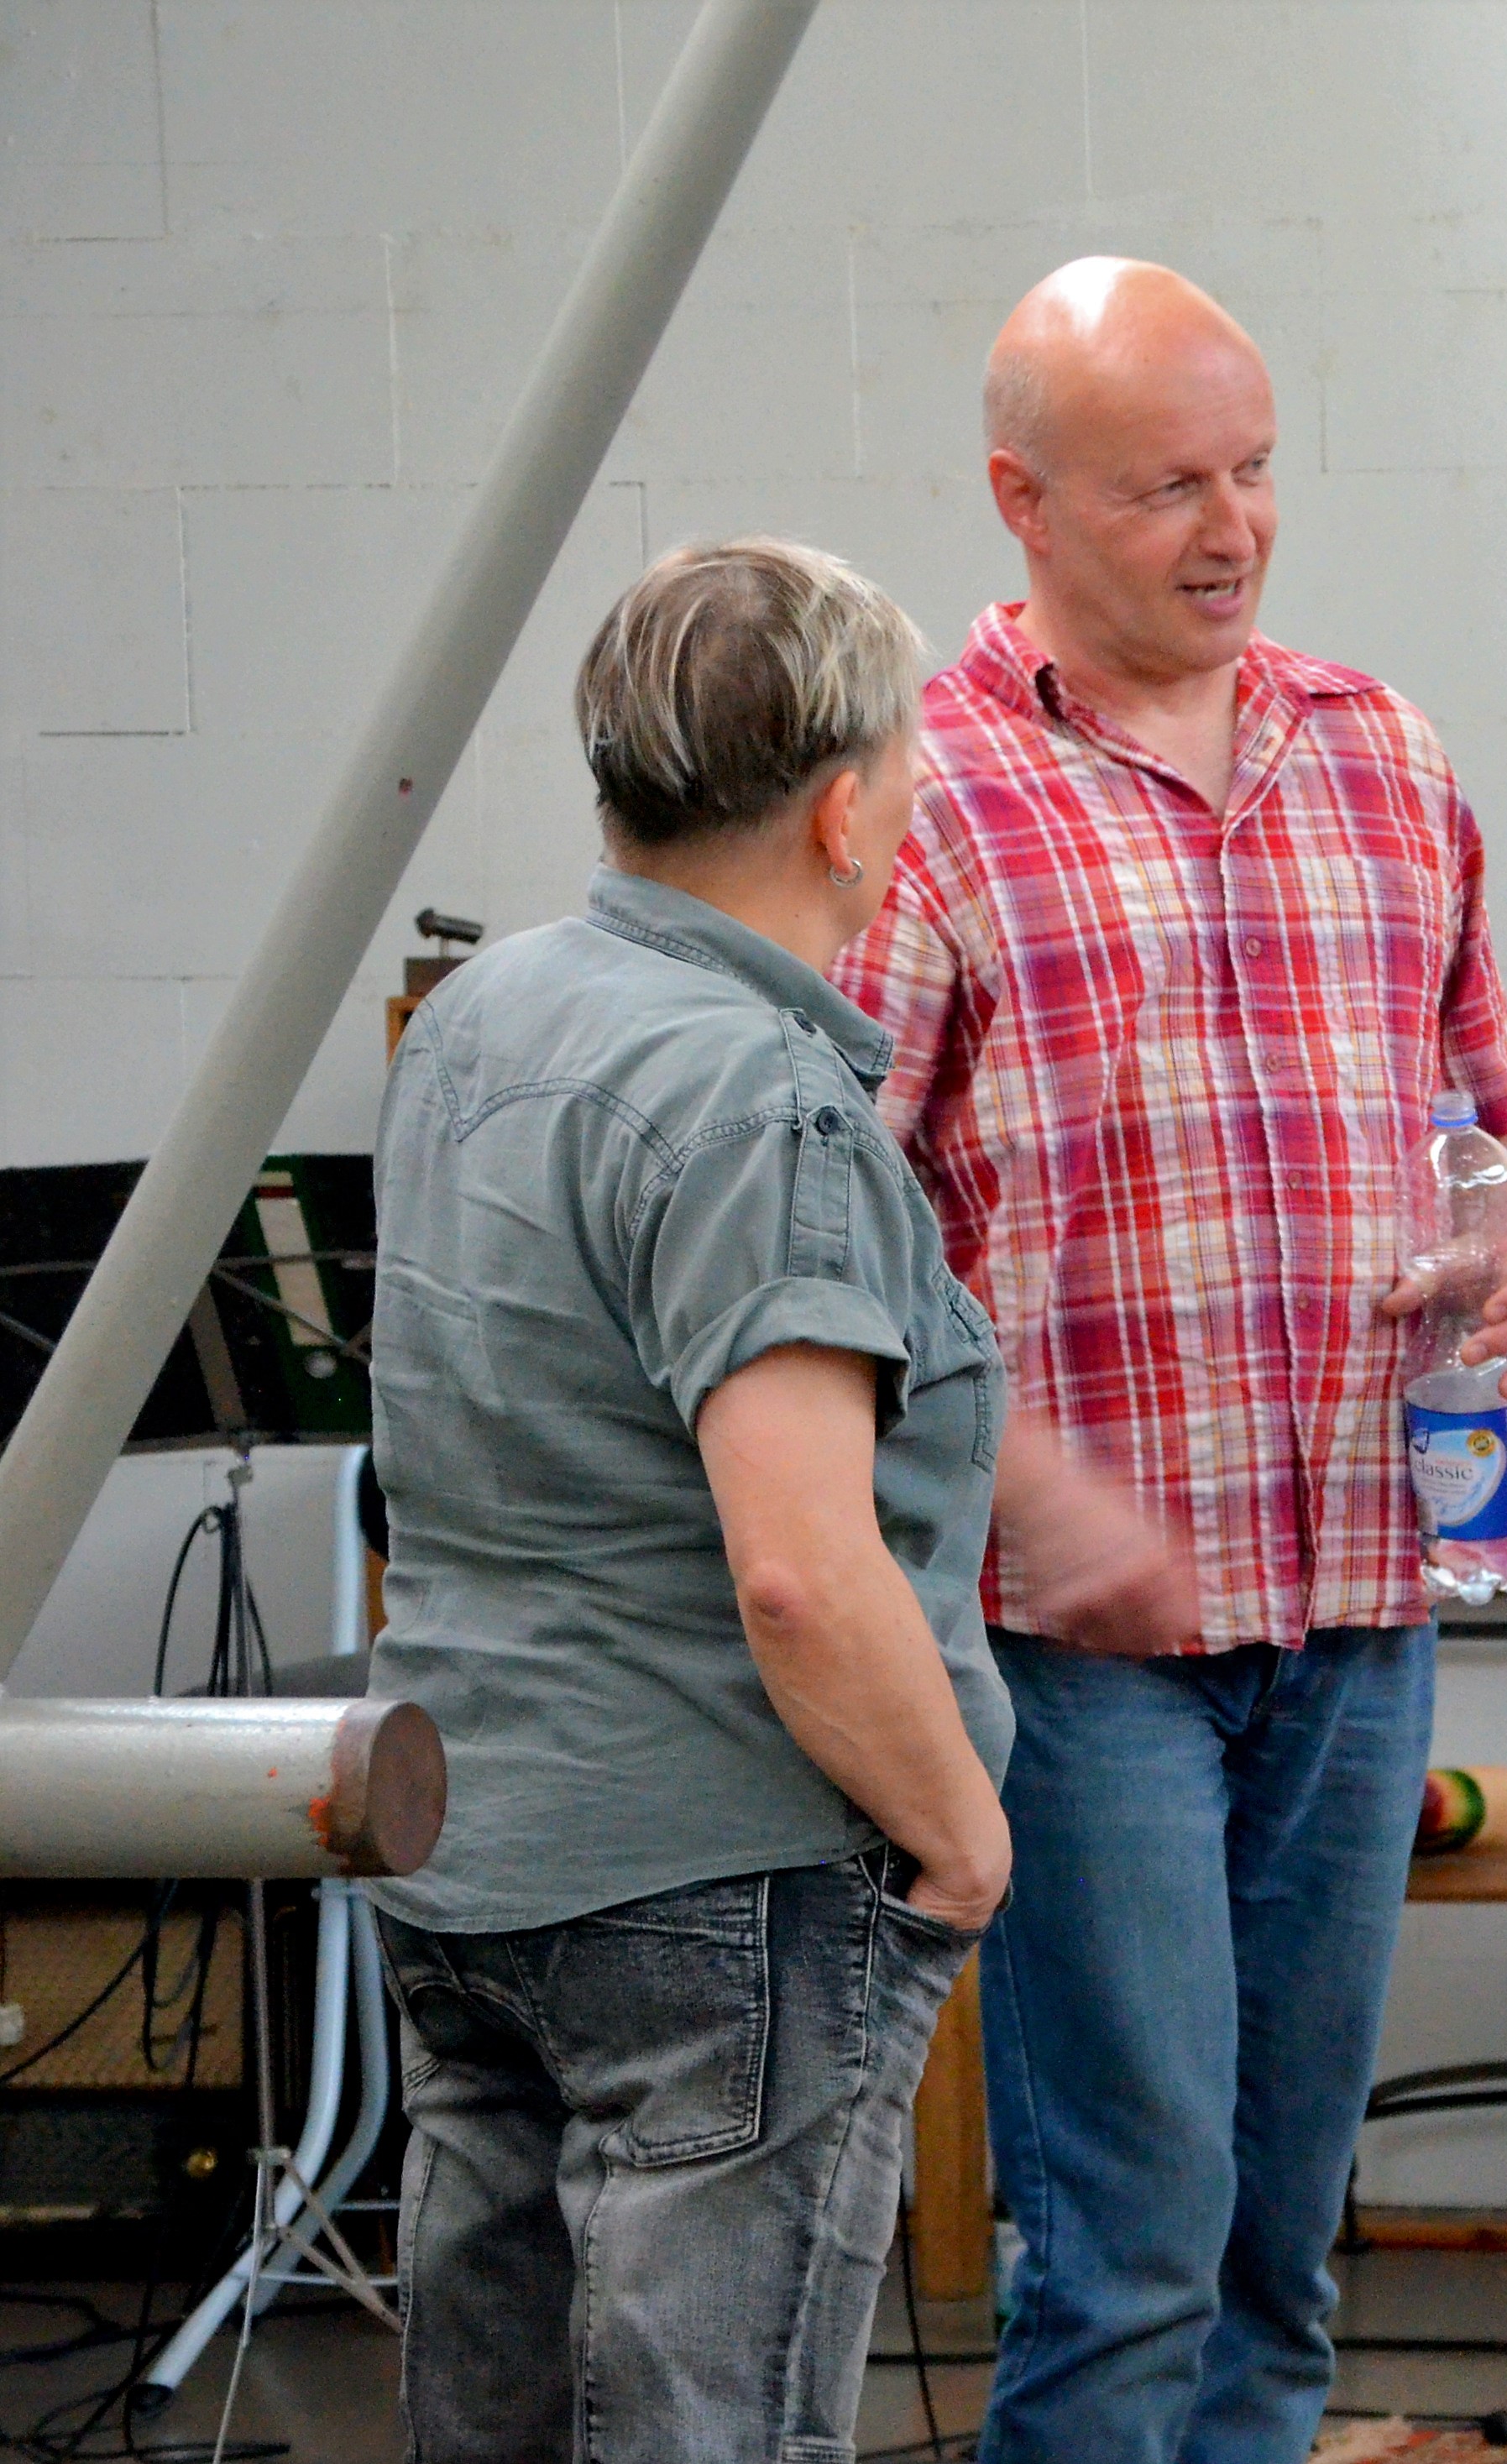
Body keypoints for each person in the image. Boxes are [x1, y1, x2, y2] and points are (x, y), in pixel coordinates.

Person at [835, 256, 1507, 2461]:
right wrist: (1026, 1486)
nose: (1233, 528)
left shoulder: (1382, 750)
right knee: (1130, 2252)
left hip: (1362, 1594)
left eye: (1254, 471)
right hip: (1083, 1646)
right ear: (1021, 498)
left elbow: (1486, 1117)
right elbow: (824, 1229)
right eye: (1168, 487)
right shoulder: (920, 794)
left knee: (1278, 2256)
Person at [366, 538, 1012, 2461]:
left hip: (468, 1850)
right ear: (842, 812)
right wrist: (961, 1833)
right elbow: (801, 1571)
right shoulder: (758, 1099)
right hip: (714, 1895)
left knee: (494, 2430)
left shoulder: (476, 1021)